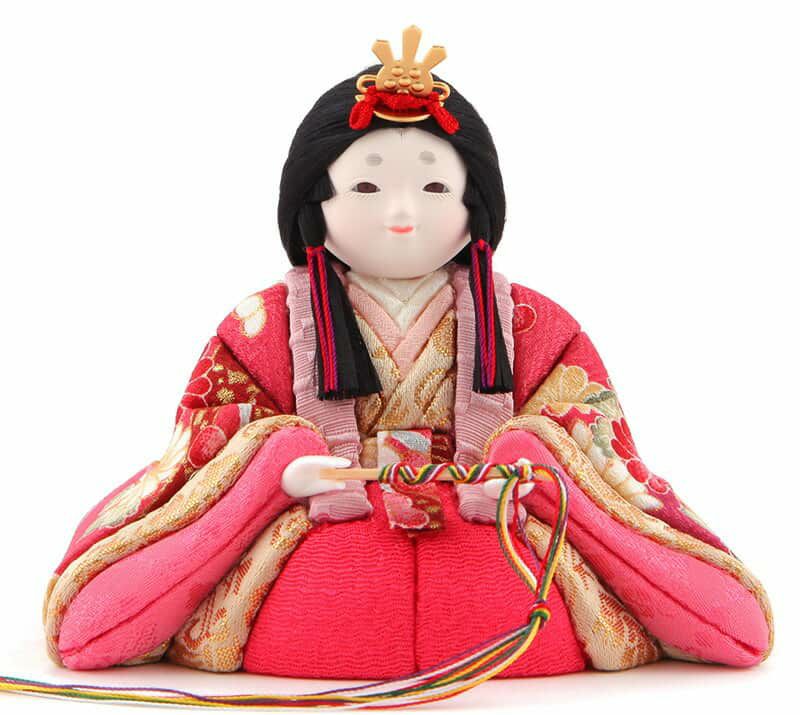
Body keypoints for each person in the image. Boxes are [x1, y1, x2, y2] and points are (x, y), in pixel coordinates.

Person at [44, 26, 771, 680]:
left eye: (433, 185)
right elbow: (205, 444)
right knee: (133, 609)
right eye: (365, 185)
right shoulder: (262, 326)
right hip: (320, 533)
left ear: (475, 202)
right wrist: (279, 468)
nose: (402, 212)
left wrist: (527, 467)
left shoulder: (534, 323)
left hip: (495, 535)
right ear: (314, 201)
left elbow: (595, 444)